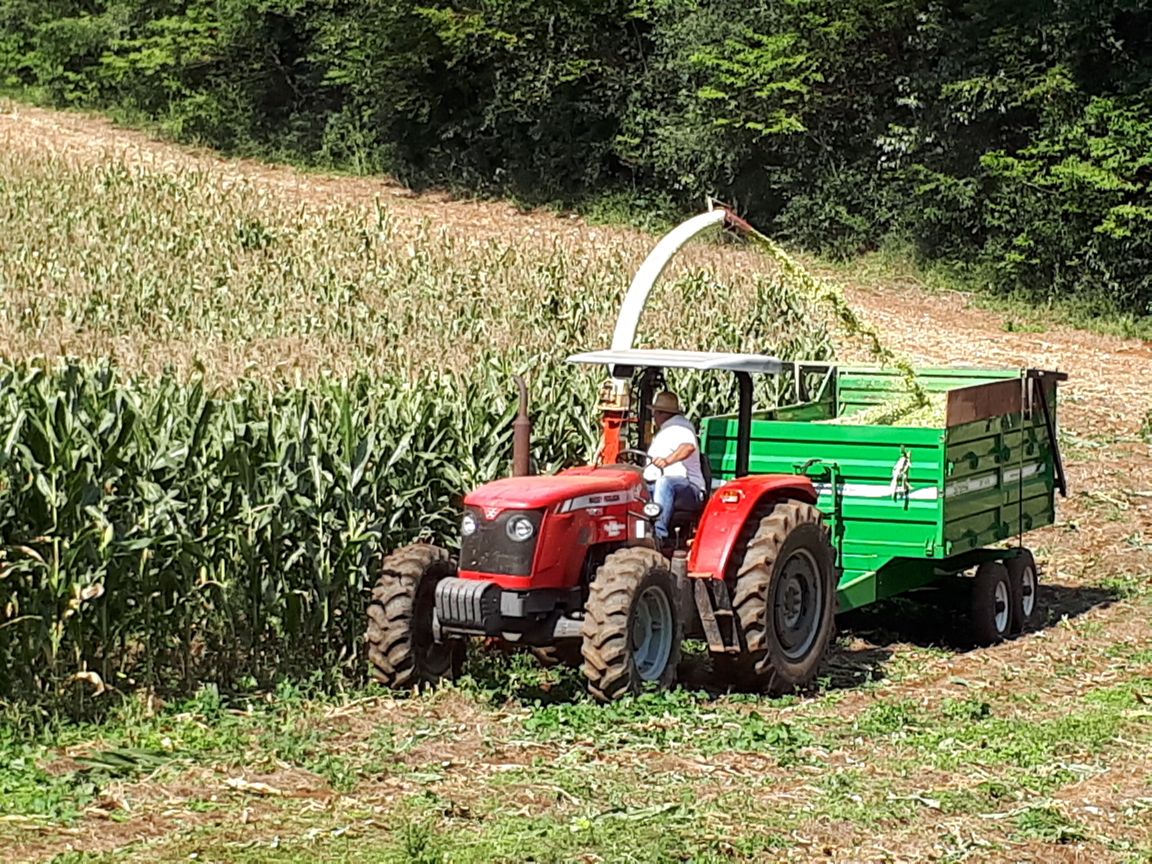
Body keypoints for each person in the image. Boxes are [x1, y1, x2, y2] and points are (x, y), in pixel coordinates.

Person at [644, 391, 706, 541]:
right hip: (663, 485)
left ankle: (659, 536)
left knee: (665, 483)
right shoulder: (666, 429)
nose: (654, 418)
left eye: (655, 414)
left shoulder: (680, 426)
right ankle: (639, 532)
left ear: (661, 414)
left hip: (690, 489)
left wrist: (667, 461)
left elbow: (688, 446)